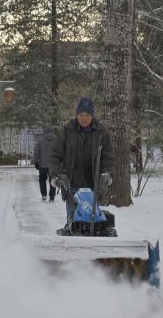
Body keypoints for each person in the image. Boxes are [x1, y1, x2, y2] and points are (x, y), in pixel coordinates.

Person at [49, 97, 114, 232]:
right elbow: (55, 155)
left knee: (93, 219)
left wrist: (107, 174)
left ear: (92, 116)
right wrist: (56, 175)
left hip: (93, 183)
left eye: (87, 115)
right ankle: (73, 245)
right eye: (81, 115)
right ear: (76, 115)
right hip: (71, 183)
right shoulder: (66, 131)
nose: (84, 118)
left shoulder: (102, 132)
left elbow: (108, 157)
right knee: (74, 219)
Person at [34, 128, 57, 201]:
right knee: (53, 181)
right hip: (53, 165)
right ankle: (52, 197)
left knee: (42, 180)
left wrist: (36, 162)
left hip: (43, 165)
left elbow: (36, 152)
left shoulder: (40, 140)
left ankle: (44, 195)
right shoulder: (57, 140)